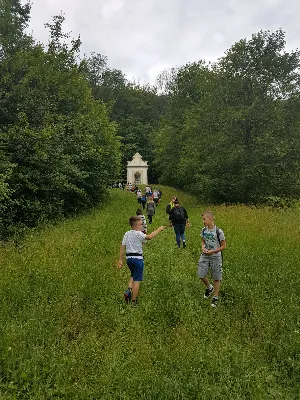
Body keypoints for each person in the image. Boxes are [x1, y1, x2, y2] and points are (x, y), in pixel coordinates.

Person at [118, 216, 166, 305]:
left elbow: (122, 246)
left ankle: (128, 290)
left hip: (129, 259)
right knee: (137, 280)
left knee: (133, 274)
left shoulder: (127, 233)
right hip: (138, 259)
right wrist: (159, 229)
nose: (142, 226)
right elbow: (150, 237)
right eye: (140, 225)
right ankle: (134, 301)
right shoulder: (138, 233)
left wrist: (120, 260)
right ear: (135, 226)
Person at [197, 210, 226, 307]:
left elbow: (223, 246)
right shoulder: (203, 230)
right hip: (205, 255)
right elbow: (202, 241)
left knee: (216, 277)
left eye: (204, 219)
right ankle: (209, 287)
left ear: (210, 219)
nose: (203, 221)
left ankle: (215, 297)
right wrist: (203, 247)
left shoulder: (219, 232)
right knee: (201, 274)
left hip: (215, 257)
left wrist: (212, 251)